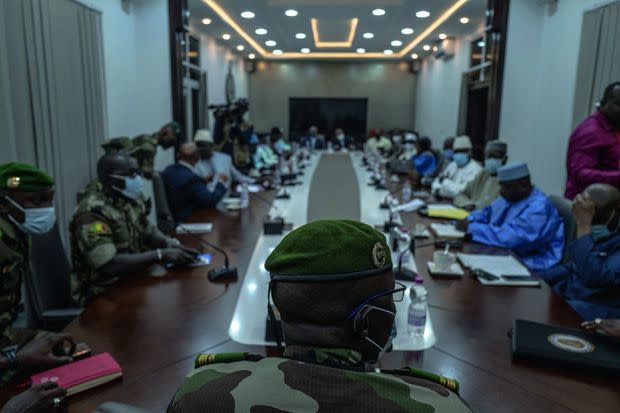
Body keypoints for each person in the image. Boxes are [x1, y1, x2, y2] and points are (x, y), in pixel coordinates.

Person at [168, 220, 472, 412]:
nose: (394, 310)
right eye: (390, 298)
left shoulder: (200, 393)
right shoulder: (439, 405)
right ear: (366, 320)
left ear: (277, 305)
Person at [70, 154, 198, 305]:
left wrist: (166, 243)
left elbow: (148, 230)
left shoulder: (130, 200)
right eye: (130, 174)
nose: (137, 178)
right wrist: (159, 255)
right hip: (101, 294)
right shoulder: (91, 213)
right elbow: (109, 265)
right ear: (109, 179)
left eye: (138, 173)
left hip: (133, 280)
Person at [0, 162, 87, 383]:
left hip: (6, 336)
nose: (46, 208)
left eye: (49, 199)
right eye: (36, 200)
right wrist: (14, 358)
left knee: (66, 347)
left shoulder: (17, 234)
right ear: (5, 204)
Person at [459, 162, 564, 272]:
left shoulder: (539, 207)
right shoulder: (510, 197)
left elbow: (511, 237)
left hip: (532, 263)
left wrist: (471, 228)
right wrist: (469, 220)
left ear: (523, 184)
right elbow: (486, 213)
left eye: (506, 187)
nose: (501, 192)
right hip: (506, 254)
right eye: (501, 186)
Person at [541, 184, 620, 319]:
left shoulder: (588, 229)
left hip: (599, 309)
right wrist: (537, 279)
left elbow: (593, 277)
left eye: (596, 218)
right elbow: (574, 266)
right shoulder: (605, 234)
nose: (592, 226)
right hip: (574, 297)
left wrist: (584, 225)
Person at [565, 82, 620, 199]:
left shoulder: (614, 127)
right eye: (619, 105)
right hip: (588, 210)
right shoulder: (590, 132)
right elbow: (579, 174)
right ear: (604, 102)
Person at [162, 143, 228, 222]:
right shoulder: (192, 179)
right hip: (190, 221)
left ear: (178, 155)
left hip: (174, 218)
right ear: (197, 158)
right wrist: (221, 182)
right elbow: (211, 201)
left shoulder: (169, 170)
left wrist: (203, 180)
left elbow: (184, 187)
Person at [453, 141, 508, 210]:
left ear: (505, 159)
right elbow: (460, 195)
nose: (491, 160)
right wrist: (467, 203)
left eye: (495, 156)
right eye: (488, 156)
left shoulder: (508, 181)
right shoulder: (483, 174)